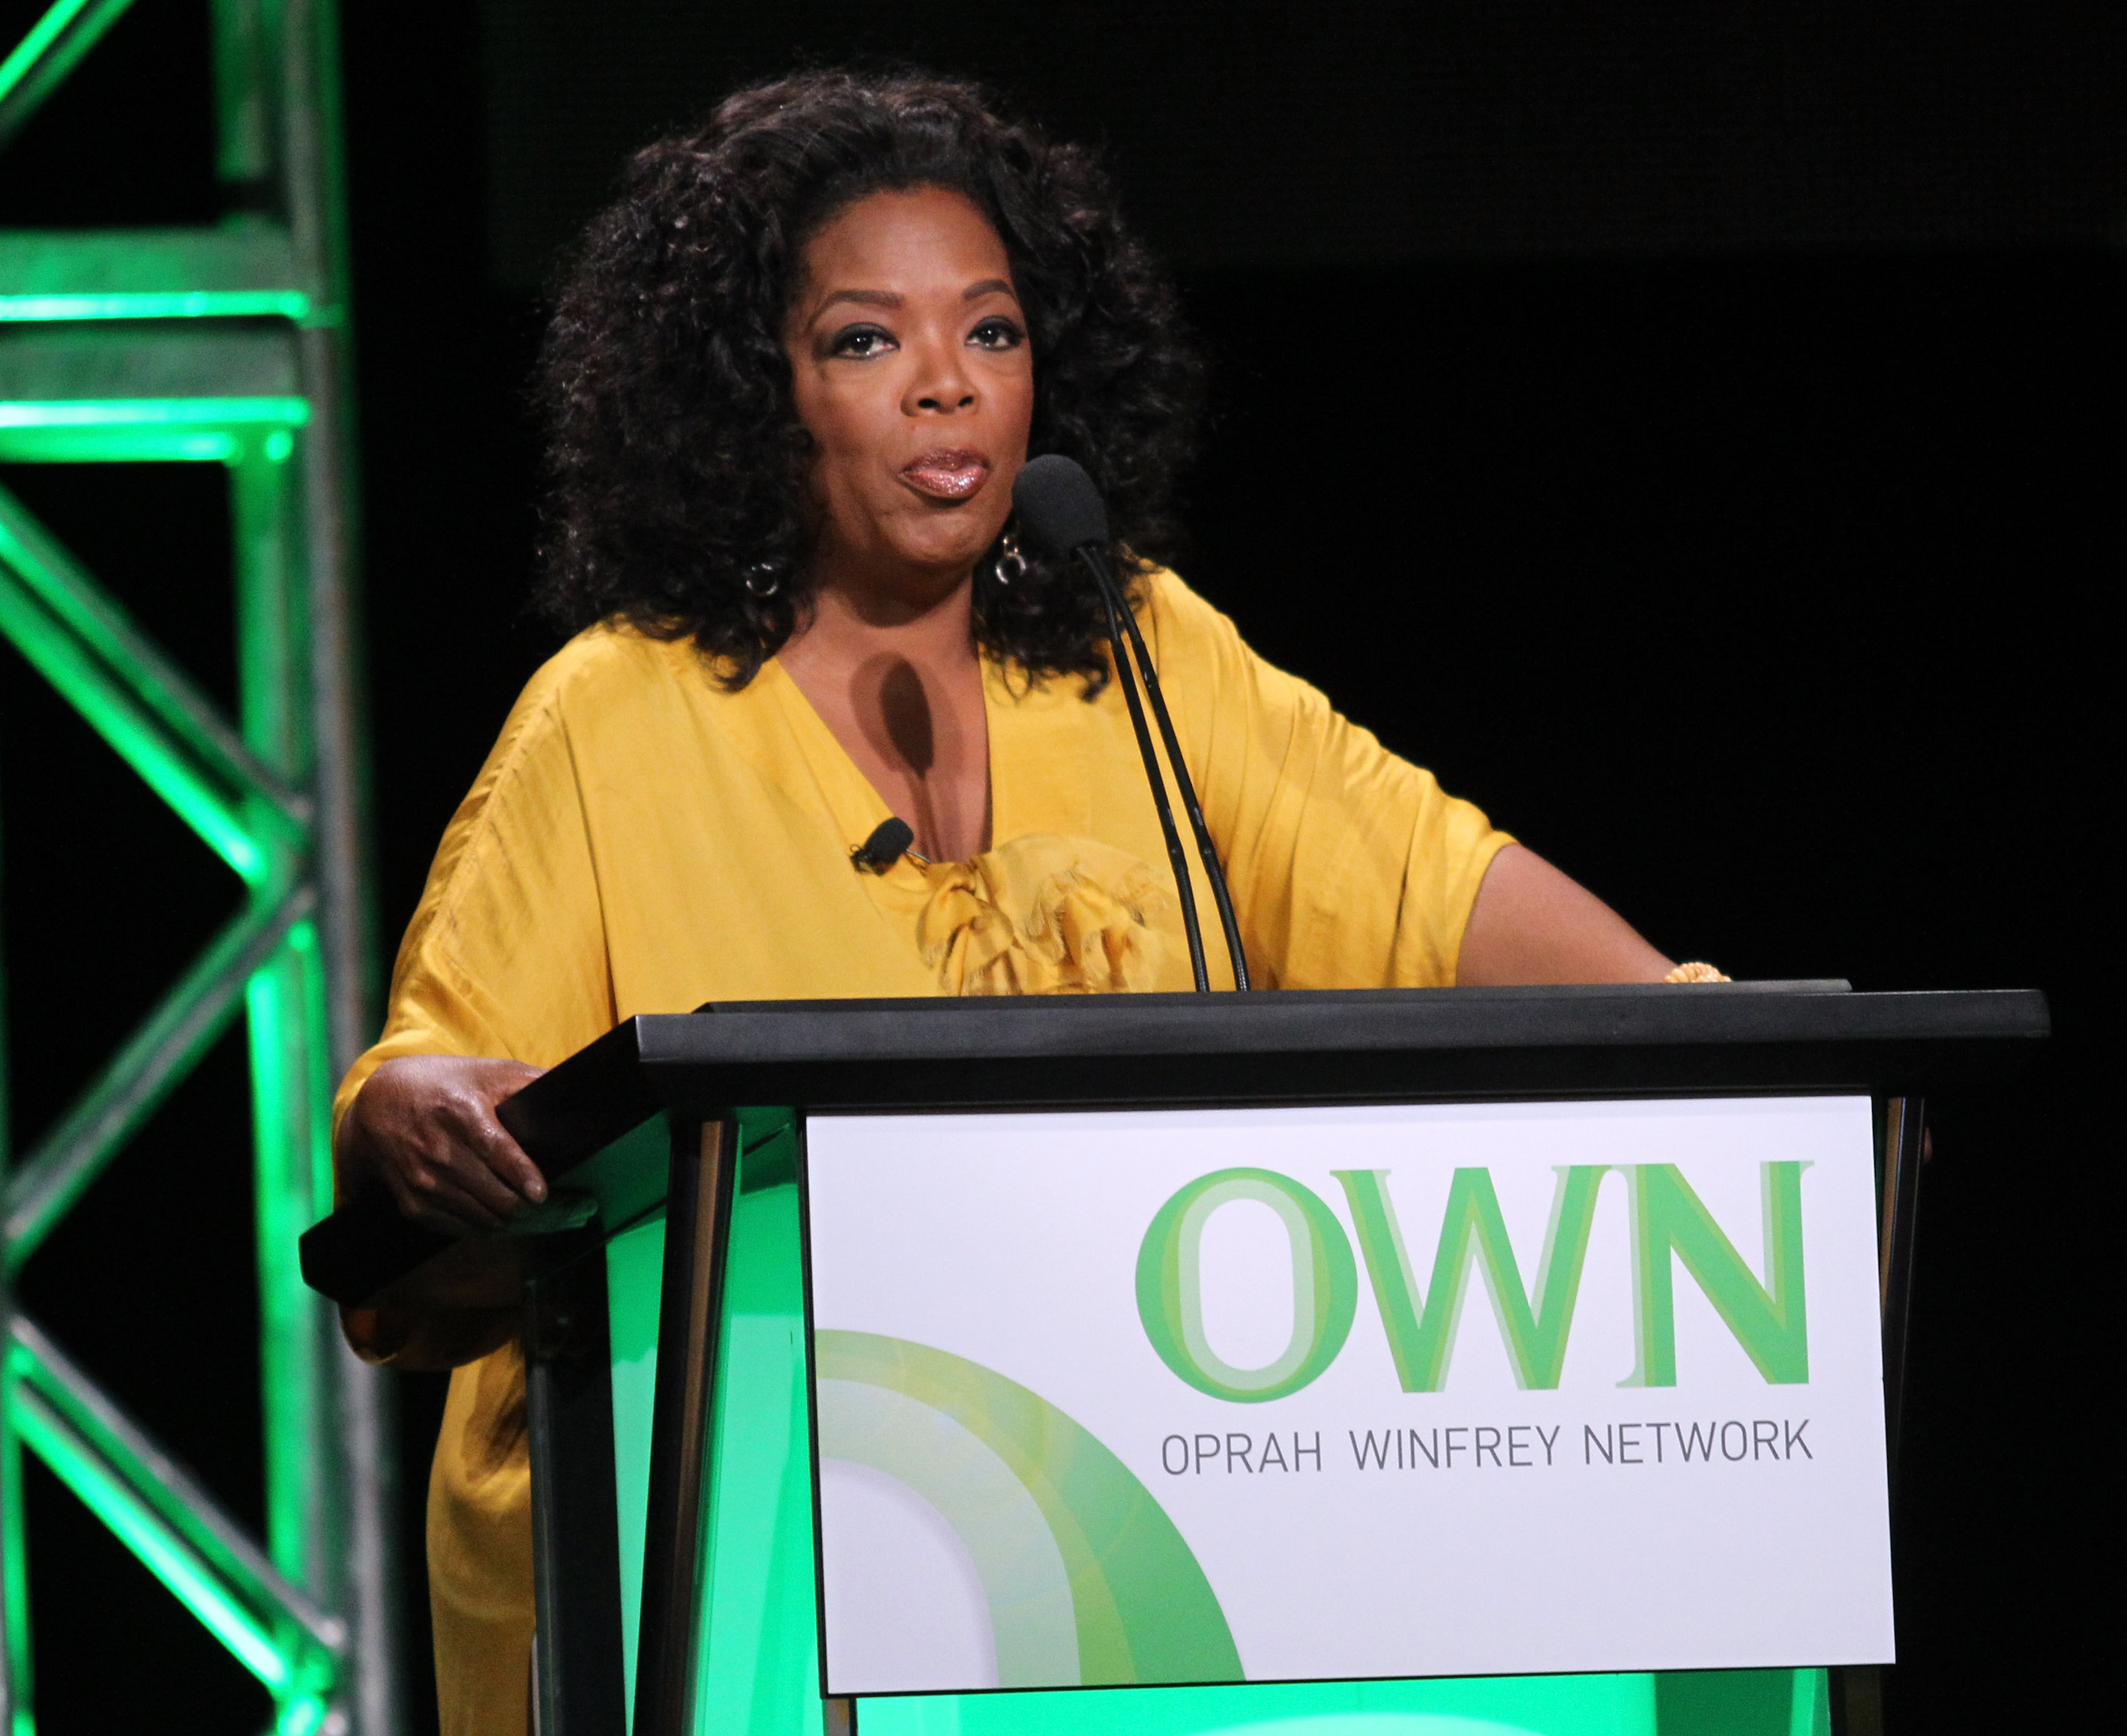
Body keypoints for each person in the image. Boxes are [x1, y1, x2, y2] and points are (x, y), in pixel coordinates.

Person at [331, 70, 1713, 1736]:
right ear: (751, 396)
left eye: (989, 334)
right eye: (865, 341)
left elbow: (1422, 881)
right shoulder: (620, 719)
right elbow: (431, 1097)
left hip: (1116, 1550)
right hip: (730, 1568)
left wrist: (1708, 1029)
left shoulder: (1135, 653)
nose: (944, 390)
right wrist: (406, 1112)